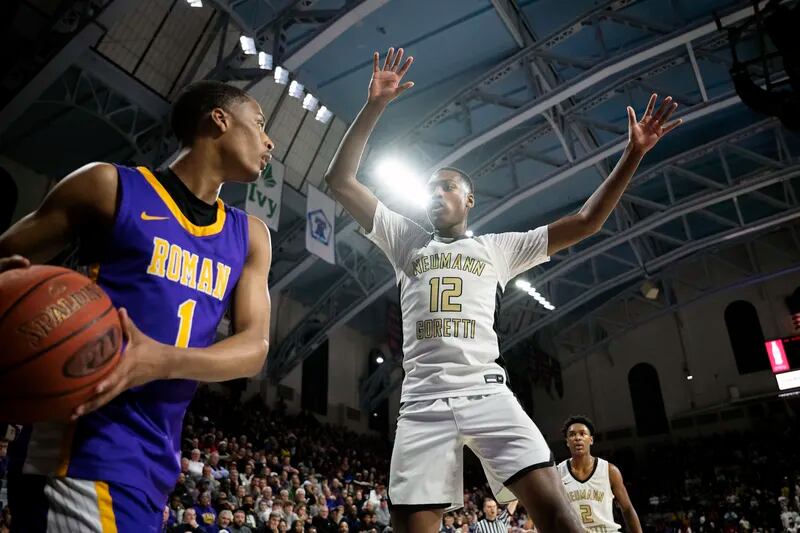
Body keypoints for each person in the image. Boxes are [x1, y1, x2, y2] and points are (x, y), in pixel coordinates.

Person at [324, 47, 681, 533]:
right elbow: (340, 180)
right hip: (422, 402)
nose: (435, 193)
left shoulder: (498, 248)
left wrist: (633, 153)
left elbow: (587, 220)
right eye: (430, 188)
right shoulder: (405, 239)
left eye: (446, 186)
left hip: (485, 392)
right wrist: (375, 106)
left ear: (469, 199)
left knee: (558, 514)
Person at [0, 80, 275, 531]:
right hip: (81, 446)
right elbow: (8, 257)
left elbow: (255, 348)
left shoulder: (251, 238)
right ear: (219, 119)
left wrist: (162, 361)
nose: (270, 142)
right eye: (260, 124)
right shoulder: (107, 185)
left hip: (153, 465)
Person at [558, 416, 642, 533]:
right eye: (572, 434)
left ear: (591, 440)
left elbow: (627, 508)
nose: (577, 438)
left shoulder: (610, 470)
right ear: (567, 442)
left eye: (583, 434)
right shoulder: (557, 473)